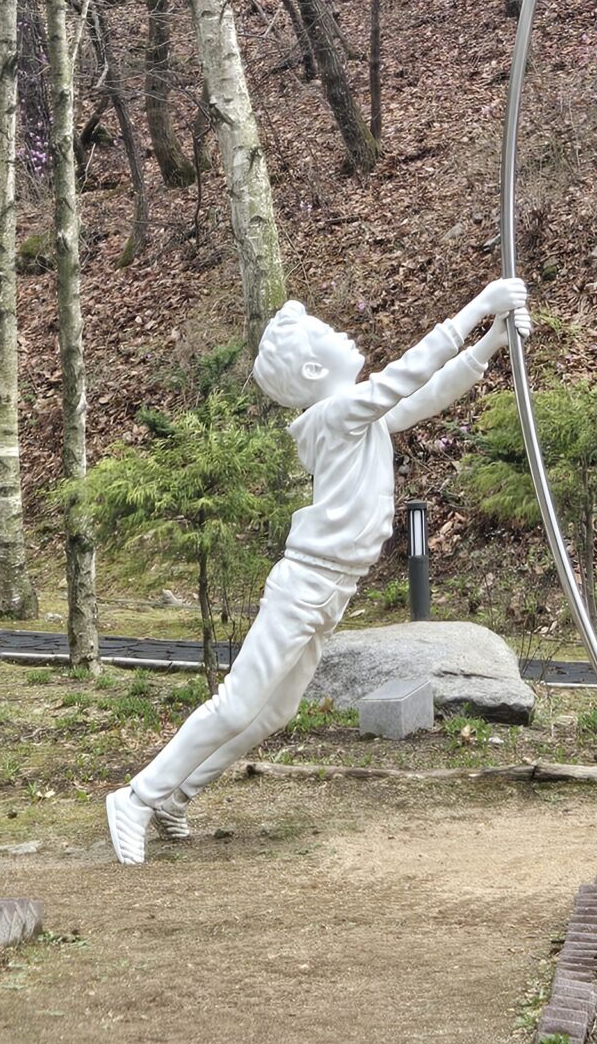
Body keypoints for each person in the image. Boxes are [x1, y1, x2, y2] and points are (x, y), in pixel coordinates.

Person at [105, 276, 529, 863]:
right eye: (328, 333)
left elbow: (425, 396)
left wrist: (490, 344)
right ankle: (136, 797)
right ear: (310, 371)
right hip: (305, 583)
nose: (344, 333)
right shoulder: (338, 415)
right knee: (236, 703)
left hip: (334, 587)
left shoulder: (357, 418)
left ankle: (178, 794)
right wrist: (479, 307)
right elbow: (406, 375)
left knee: (276, 710)